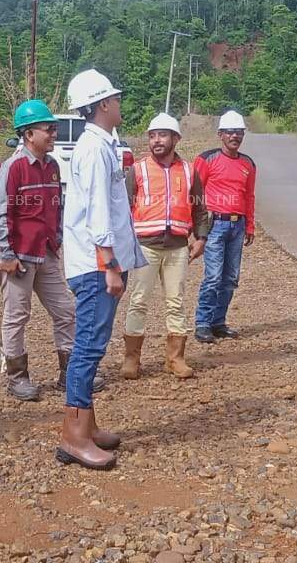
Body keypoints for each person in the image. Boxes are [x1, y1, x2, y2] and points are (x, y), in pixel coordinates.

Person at [57, 69, 146, 470]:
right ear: (103, 105)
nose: (119, 103)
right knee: (89, 347)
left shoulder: (100, 145)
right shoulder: (94, 150)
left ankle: (87, 429)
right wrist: (109, 264)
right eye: (115, 98)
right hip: (96, 266)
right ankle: (74, 438)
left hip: (99, 263)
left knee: (92, 343)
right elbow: (97, 212)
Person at [0, 99, 105, 400]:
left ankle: (70, 373)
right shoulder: (12, 169)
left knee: (66, 311)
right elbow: (1, 215)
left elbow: (57, 205)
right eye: (49, 129)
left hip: (45, 251)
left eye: (54, 129)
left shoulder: (52, 166)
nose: (54, 134)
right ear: (28, 134)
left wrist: (57, 239)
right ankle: (17, 377)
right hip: (17, 254)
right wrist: (6, 255)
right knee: (17, 315)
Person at [121, 112, 207, 380]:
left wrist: (201, 238)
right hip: (145, 244)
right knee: (138, 301)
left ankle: (175, 359)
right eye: (152, 135)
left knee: (176, 302)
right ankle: (131, 359)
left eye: (162, 135)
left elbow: (200, 208)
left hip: (178, 246)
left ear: (175, 139)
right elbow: (123, 208)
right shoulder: (138, 169)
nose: (156, 140)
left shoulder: (189, 170)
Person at [193, 110, 257, 344]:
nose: (235, 136)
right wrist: (197, 228)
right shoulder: (207, 159)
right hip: (215, 224)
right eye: (230, 132)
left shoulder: (248, 164)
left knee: (230, 278)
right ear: (220, 134)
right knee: (213, 276)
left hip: (236, 225)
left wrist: (249, 225)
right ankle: (202, 323)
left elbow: (249, 196)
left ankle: (218, 322)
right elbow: (195, 193)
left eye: (239, 132)